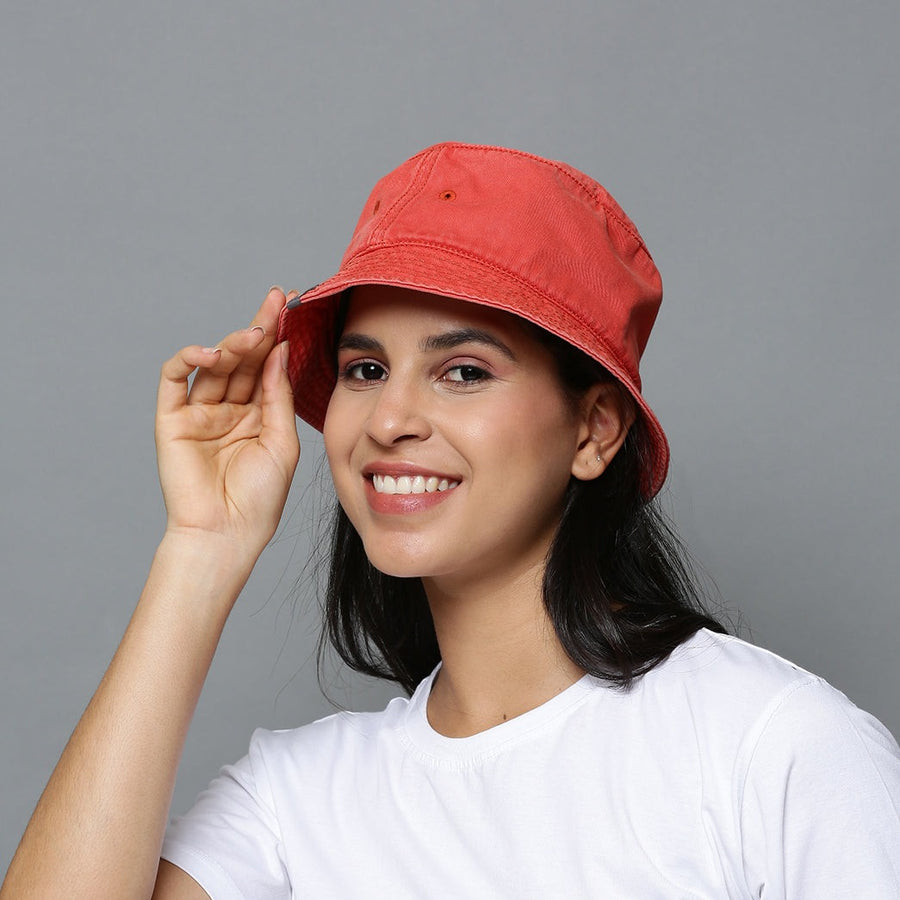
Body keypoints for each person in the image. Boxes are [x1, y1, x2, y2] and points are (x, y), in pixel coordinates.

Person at [4, 143, 899, 899]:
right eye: (363, 370)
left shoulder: (770, 745)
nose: (389, 420)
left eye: (463, 370)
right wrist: (201, 549)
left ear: (593, 431)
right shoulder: (301, 798)